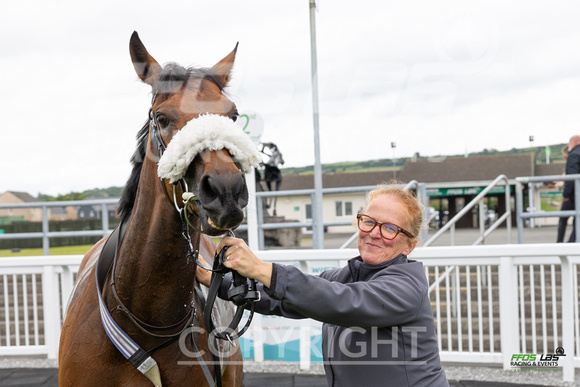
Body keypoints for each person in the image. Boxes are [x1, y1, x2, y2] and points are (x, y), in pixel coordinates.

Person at [197, 183, 449, 386]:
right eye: (369, 221)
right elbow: (281, 297)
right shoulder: (345, 277)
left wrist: (262, 268)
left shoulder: (407, 287)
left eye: (390, 228)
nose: (374, 233)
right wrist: (214, 281)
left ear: (410, 244)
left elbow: (342, 302)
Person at [562, 135, 580, 242]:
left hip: (577, 195)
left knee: (576, 222)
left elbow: (571, 177)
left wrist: (566, 194)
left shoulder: (573, 155)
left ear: (575, 142)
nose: (569, 145)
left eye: (570, 142)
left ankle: (570, 246)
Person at [557, 145, 572, 242]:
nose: (563, 158)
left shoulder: (570, 165)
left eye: (564, 155)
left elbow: (567, 181)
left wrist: (565, 195)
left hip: (570, 197)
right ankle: (572, 241)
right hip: (574, 196)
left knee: (563, 220)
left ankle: (560, 242)